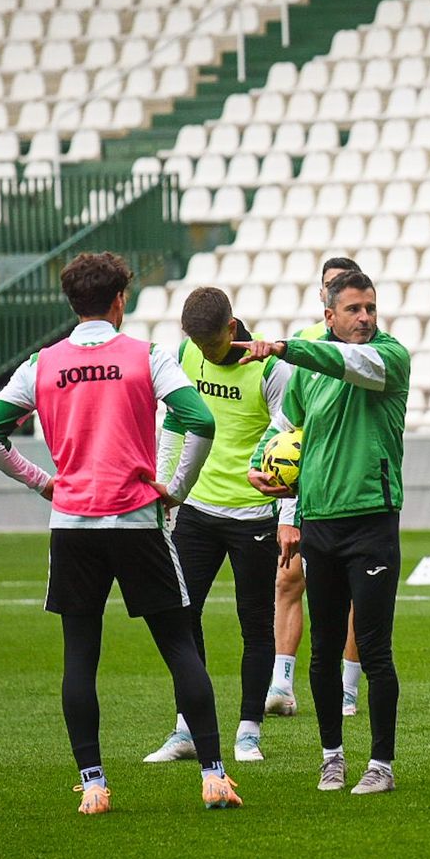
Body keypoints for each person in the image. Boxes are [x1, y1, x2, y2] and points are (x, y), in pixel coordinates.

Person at [0, 251, 242, 814]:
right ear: (119, 301)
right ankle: (214, 775)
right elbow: (202, 421)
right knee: (178, 644)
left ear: (73, 303)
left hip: (73, 523)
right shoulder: (147, 356)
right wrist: (176, 488)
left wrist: (42, 482)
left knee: (80, 655)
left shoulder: (40, 364)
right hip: (137, 518)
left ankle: (93, 784)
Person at [238, 268, 409, 795]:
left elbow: (344, 361)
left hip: (372, 519)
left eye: (371, 308)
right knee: (324, 646)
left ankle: (380, 763)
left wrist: (285, 348)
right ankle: (331, 756)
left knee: (375, 648)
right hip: (320, 522)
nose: (365, 318)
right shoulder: (308, 370)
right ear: (329, 315)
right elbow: (283, 428)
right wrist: (259, 464)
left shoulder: (389, 357)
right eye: (354, 310)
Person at [142, 287, 296, 764]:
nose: (206, 355)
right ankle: (186, 729)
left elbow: (292, 445)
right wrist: (166, 489)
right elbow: (175, 422)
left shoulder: (273, 369)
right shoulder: (187, 352)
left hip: (252, 514)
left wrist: (288, 517)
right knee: (181, 616)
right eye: (199, 347)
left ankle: (249, 731)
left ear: (232, 329)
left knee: (254, 625)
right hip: (197, 509)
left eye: (213, 346)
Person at [264, 257, 366, 720]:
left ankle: (348, 686)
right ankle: (281, 684)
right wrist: (287, 511)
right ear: (323, 299)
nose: (334, 291)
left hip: (354, 489)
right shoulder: (302, 345)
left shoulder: (370, 347)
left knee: (354, 594)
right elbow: (288, 429)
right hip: (309, 488)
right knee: (288, 578)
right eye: (329, 287)